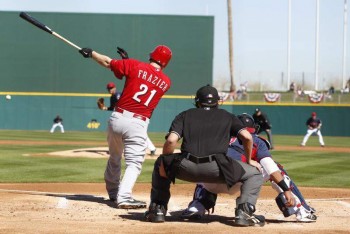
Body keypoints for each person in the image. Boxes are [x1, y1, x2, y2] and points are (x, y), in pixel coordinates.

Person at [144, 85, 265, 227]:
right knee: (255, 174)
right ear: (218, 101)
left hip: (185, 167)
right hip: (217, 169)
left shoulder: (185, 114)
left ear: (197, 101)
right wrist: (249, 159)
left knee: (160, 163)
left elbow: (171, 140)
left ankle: (157, 209)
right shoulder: (228, 116)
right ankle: (244, 212)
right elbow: (247, 137)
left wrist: (166, 161)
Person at [79, 45, 172, 209]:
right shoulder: (166, 82)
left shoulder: (134, 65)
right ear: (165, 63)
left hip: (117, 118)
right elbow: (145, 78)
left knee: (114, 157)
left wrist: (92, 53)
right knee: (134, 163)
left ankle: (114, 192)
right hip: (138, 122)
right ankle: (124, 196)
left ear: (152, 56)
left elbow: (108, 62)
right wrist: (126, 62)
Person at [182, 113, 317, 222]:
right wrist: (286, 190)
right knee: (277, 168)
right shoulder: (257, 141)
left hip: (209, 183)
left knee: (207, 165)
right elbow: (271, 169)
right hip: (237, 182)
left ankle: (196, 206)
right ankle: (300, 210)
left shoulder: (218, 137)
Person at [100, 81, 156, 156]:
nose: (110, 90)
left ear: (115, 88)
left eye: (111, 88)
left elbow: (122, 105)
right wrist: (104, 108)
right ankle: (116, 149)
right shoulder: (112, 97)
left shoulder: (117, 95)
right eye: (109, 88)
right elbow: (113, 108)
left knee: (140, 133)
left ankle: (152, 148)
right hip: (122, 116)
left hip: (130, 116)